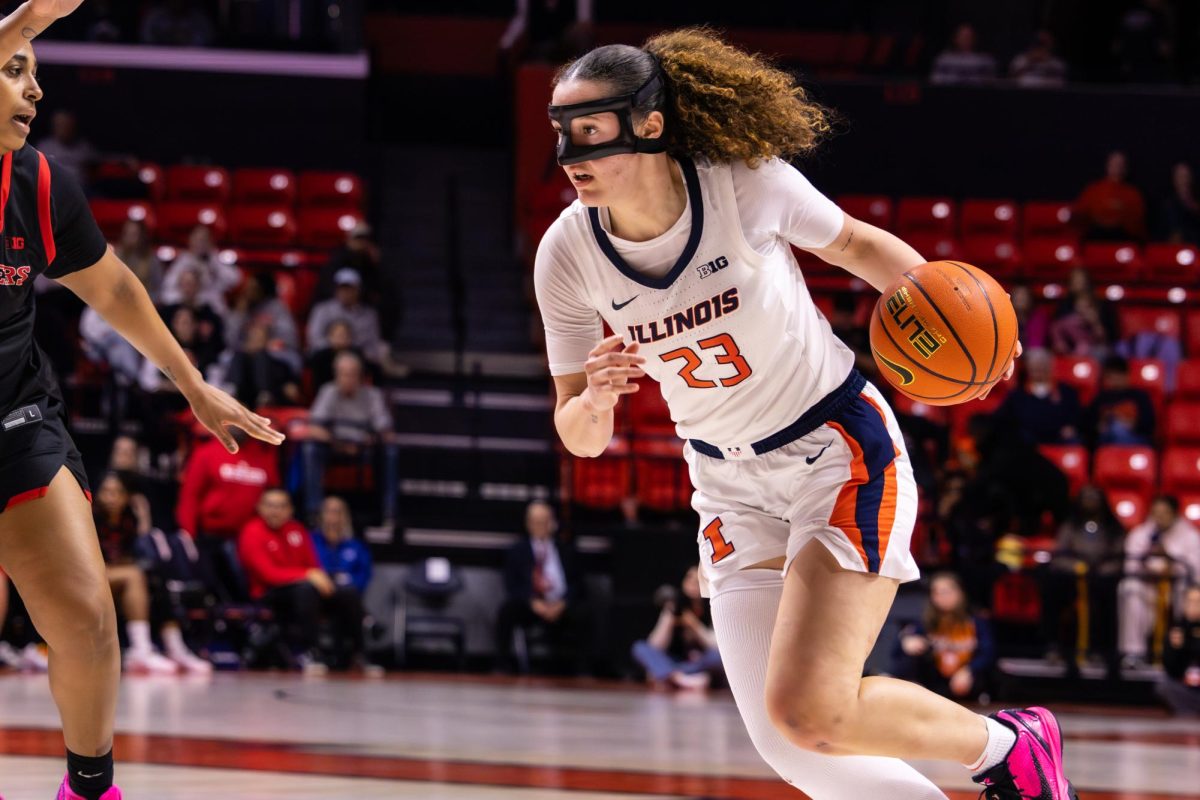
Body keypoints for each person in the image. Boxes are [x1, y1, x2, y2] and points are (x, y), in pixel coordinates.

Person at [532, 30, 1073, 800]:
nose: (570, 153)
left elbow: (855, 243)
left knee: (812, 706)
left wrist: (972, 329)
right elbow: (579, 440)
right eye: (561, 133)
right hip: (725, 483)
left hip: (835, 447)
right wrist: (594, 399)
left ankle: (1009, 745)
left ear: (648, 124)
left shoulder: (738, 183)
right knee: (799, 746)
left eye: (590, 130)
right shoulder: (565, 255)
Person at [0, 6, 285, 799]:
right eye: (14, 68)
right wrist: (22, 18)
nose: (34, 86)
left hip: (16, 420)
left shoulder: (38, 181)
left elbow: (117, 290)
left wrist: (193, 387)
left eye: (34, 68)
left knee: (88, 619)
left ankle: (89, 790)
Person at [92, 472, 210, 675]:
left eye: (117, 493)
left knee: (155, 578)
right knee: (135, 576)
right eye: (106, 492)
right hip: (90, 577)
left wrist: (144, 515)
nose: (111, 498)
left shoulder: (129, 519)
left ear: (127, 497)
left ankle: (175, 648)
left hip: (117, 576)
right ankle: (142, 650)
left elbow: (137, 551)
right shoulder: (91, 517)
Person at [237, 489, 366, 672]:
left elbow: (313, 565)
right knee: (306, 589)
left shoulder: (296, 530)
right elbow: (268, 574)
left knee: (348, 592)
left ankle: (358, 653)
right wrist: (307, 575)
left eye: (282, 506)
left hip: (303, 590)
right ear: (260, 508)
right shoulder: (252, 532)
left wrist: (317, 578)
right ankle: (310, 651)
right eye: (271, 506)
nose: (276, 511)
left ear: (290, 510)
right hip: (269, 593)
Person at [175, 430, 281, 602]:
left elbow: (274, 494)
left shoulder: (263, 454)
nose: (238, 426)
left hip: (251, 537)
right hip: (211, 537)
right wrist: (188, 533)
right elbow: (190, 496)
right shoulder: (207, 452)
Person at [494, 501, 592, 675]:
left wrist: (562, 603)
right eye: (536, 522)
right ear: (528, 524)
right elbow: (512, 585)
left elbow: (579, 583)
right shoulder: (517, 550)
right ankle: (502, 667)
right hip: (531, 605)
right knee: (507, 611)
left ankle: (583, 670)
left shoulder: (567, 549)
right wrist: (533, 603)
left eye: (545, 521)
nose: (541, 526)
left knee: (586, 613)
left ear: (552, 523)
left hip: (561, 604)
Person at [303, 351, 399, 526]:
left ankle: (388, 511)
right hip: (334, 445)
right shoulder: (328, 391)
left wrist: (371, 439)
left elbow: (385, 430)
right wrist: (338, 444)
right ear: (336, 375)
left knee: (390, 451)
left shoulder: (372, 395)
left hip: (364, 446)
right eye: (344, 374)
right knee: (310, 448)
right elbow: (314, 428)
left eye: (353, 374)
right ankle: (314, 511)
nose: (348, 379)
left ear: (361, 377)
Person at [1036, 485, 1125, 670]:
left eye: (1094, 498)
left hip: (1102, 579)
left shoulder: (1113, 528)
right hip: (1072, 578)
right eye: (1086, 498)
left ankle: (1101, 651)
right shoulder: (1070, 526)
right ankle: (1054, 646)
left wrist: (1101, 570)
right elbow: (1059, 556)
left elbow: (1120, 559)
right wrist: (1076, 568)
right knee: (1051, 587)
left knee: (1107, 598)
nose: (1090, 502)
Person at [1119, 496, 1200, 669]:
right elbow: (1130, 567)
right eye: (1156, 513)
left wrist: (1169, 562)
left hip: (1177, 588)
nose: (1160, 517)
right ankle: (1134, 653)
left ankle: (1184, 653)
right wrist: (1149, 566)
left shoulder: (1190, 535)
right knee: (1129, 588)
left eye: (1165, 513)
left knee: (1191, 597)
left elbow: (1195, 572)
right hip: (1148, 587)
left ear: (1175, 514)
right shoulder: (1141, 533)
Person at [893, 573, 995, 701]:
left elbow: (988, 653)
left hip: (968, 684)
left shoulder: (975, 621)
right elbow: (898, 649)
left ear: (960, 592)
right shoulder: (925, 623)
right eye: (936, 593)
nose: (942, 597)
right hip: (935, 686)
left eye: (946, 591)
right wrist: (906, 641)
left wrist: (969, 670)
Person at [632, 565, 722, 690]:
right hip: (673, 660)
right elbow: (655, 645)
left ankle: (665, 675)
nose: (693, 583)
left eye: (698, 580)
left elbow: (714, 646)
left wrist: (694, 625)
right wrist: (668, 616)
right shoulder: (675, 605)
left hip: (697, 662)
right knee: (640, 647)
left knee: (718, 657)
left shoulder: (712, 606)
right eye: (689, 578)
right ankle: (678, 678)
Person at [996, 347, 1082, 444]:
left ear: (1050, 367)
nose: (1039, 370)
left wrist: (1070, 427)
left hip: (1058, 440)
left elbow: (1076, 416)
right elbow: (1004, 420)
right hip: (1026, 443)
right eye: (1035, 367)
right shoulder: (1017, 395)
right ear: (1028, 368)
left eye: (1042, 366)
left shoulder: (1066, 392)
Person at [224, 271, 302, 376]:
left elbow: (290, 338)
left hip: (271, 353)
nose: (249, 292)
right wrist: (239, 314)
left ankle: (265, 391)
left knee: (261, 359)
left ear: (263, 290)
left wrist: (265, 345)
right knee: (231, 359)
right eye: (248, 288)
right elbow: (230, 340)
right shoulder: (242, 309)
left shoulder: (277, 308)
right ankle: (232, 389)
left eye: (254, 288)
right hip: (245, 353)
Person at [305, 268, 384, 363]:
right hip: (328, 355)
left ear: (358, 289)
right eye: (342, 288)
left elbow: (373, 345)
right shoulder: (323, 310)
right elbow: (314, 338)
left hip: (358, 358)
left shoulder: (369, 315)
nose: (345, 292)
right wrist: (335, 344)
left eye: (349, 288)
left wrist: (349, 345)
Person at [159, 224, 241, 314]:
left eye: (204, 240)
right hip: (186, 306)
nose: (200, 243)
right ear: (190, 240)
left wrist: (213, 261)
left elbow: (235, 279)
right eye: (197, 239)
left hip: (211, 308)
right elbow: (167, 288)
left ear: (210, 242)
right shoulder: (183, 260)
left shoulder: (214, 260)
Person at [1073, 151, 1147, 241]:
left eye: (1120, 164)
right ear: (1107, 165)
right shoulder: (1093, 190)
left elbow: (1137, 223)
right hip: (1095, 235)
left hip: (1123, 237)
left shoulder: (1133, 194)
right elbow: (1081, 214)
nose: (1117, 167)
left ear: (1125, 168)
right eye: (1114, 164)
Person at [310, 495, 373, 596]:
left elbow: (363, 576)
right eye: (328, 511)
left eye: (337, 512)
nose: (332, 517)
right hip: (316, 592)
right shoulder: (309, 541)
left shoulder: (357, 546)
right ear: (321, 515)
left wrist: (344, 581)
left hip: (347, 595)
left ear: (345, 516)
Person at [1087, 355, 1156, 446]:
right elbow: (1089, 425)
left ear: (1125, 375)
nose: (1112, 380)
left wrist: (1129, 425)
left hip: (1134, 441)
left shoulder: (1139, 396)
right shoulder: (1101, 398)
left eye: (1115, 376)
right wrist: (1099, 426)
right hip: (1106, 441)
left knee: (1117, 428)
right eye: (1109, 377)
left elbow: (1148, 425)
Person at [1157, 584, 1200, 716]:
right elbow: (1169, 668)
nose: (1194, 606)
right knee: (1164, 685)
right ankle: (1188, 713)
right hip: (1186, 685)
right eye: (1190, 602)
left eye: (1198, 602)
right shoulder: (1177, 628)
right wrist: (1176, 649)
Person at [34, 108, 96, 188]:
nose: (64, 129)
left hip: (81, 191)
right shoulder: (43, 147)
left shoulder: (84, 147)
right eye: (60, 125)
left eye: (67, 125)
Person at [929, 23, 997, 86]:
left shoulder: (985, 60)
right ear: (955, 38)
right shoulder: (944, 59)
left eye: (968, 36)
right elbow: (936, 82)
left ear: (974, 38)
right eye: (962, 36)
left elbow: (990, 84)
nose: (965, 39)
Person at [113, 219, 163, 301]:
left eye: (134, 234)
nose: (129, 238)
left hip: (144, 305)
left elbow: (159, 290)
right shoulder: (116, 256)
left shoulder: (151, 259)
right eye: (127, 234)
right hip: (118, 303)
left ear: (142, 236)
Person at [1158, 162, 1200, 244]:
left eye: (1186, 176)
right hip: (1177, 248)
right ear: (1173, 179)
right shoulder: (1167, 205)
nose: (1183, 180)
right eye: (1180, 176)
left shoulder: (1196, 202)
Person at [1010, 283, 1051, 351]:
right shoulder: (1005, 319)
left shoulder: (1039, 317)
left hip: (1033, 353)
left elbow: (1035, 345)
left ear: (1030, 298)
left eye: (1023, 295)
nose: (1020, 298)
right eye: (1017, 295)